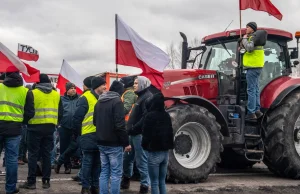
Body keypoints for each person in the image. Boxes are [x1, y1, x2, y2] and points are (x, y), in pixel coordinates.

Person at [20, 74, 62, 190]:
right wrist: (55, 123)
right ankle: (46, 181)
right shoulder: (56, 94)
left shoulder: (32, 93)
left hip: (34, 127)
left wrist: (26, 122)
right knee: (47, 155)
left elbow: (28, 111)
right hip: (50, 128)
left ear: (37, 82)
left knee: (33, 155)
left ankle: (31, 182)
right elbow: (61, 113)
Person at [0, 72, 35, 194]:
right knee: (12, 160)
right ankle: (10, 188)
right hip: (14, 129)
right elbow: (30, 112)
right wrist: (21, 121)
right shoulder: (25, 91)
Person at [94, 80, 131, 194]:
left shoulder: (99, 102)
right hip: (114, 143)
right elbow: (120, 125)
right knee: (116, 173)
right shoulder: (117, 102)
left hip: (101, 141)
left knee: (104, 171)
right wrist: (126, 143)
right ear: (119, 91)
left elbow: (95, 122)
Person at [122, 76, 153, 193]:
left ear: (143, 84)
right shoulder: (139, 97)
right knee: (127, 159)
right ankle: (126, 180)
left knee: (141, 161)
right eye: (134, 83)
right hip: (132, 134)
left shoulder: (147, 97)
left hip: (140, 135)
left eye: (136, 83)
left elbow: (146, 117)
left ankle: (145, 186)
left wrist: (134, 128)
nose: (134, 85)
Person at [142, 93, 174, 194]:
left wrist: (145, 146)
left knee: (154, 182)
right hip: (165, 153)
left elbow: (145, 135)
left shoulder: (149, 116)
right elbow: (170, 133)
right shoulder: (166, 115)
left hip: (154, 153)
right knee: (162, 182)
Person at [76, 76, 101, 194]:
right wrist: (78, 134)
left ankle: (93, 187)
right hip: (87, 134)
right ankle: (86, 187)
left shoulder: (100, 97)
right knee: (89, 161)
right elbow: (77, 118)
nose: (105, 87)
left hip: (98, 135)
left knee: (95, 162)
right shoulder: (85, 98)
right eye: (103, 85)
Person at [241, 22, 264, 120]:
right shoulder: (256, 39)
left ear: (252, 29)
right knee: (255, 89)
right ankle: (257, 110)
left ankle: (251, 112)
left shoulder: (252, 38)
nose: (246, 29)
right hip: (257, 67)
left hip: (253, 67)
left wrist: (244, 39)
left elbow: (249, 48)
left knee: (250, 90)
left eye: (248, 27)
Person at [57, 82, 79, 174]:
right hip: (64, 127)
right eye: (71, 88)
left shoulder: (80, 99)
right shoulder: (61, 99)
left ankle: (59, 162)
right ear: (67, 90)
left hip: (76, 127)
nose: (73, 89)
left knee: (74, 146)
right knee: (64, 147)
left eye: (74, 88)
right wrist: (59, 123)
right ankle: (67, 166)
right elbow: (58, 112)